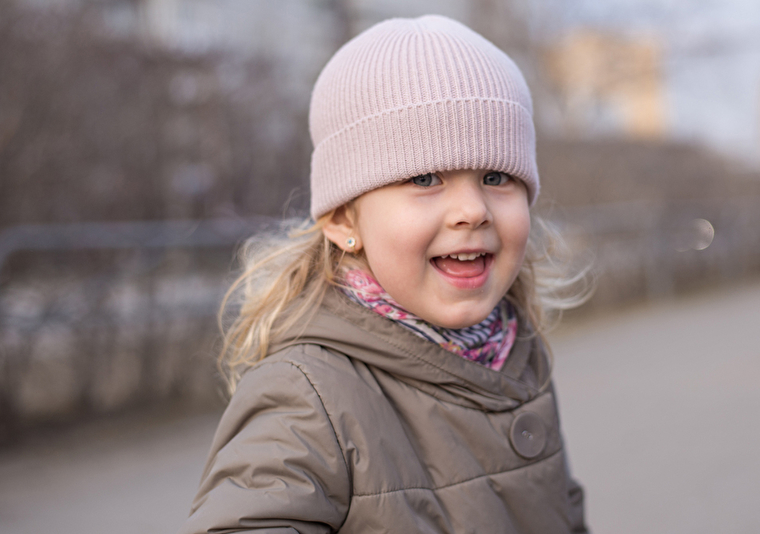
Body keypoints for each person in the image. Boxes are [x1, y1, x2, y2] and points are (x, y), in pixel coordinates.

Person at [180, 14, 590, 534]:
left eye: (496, 176)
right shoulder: (308, 396)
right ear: (343, 220)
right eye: (425, 178)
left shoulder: (517, 352)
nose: (473, 210)